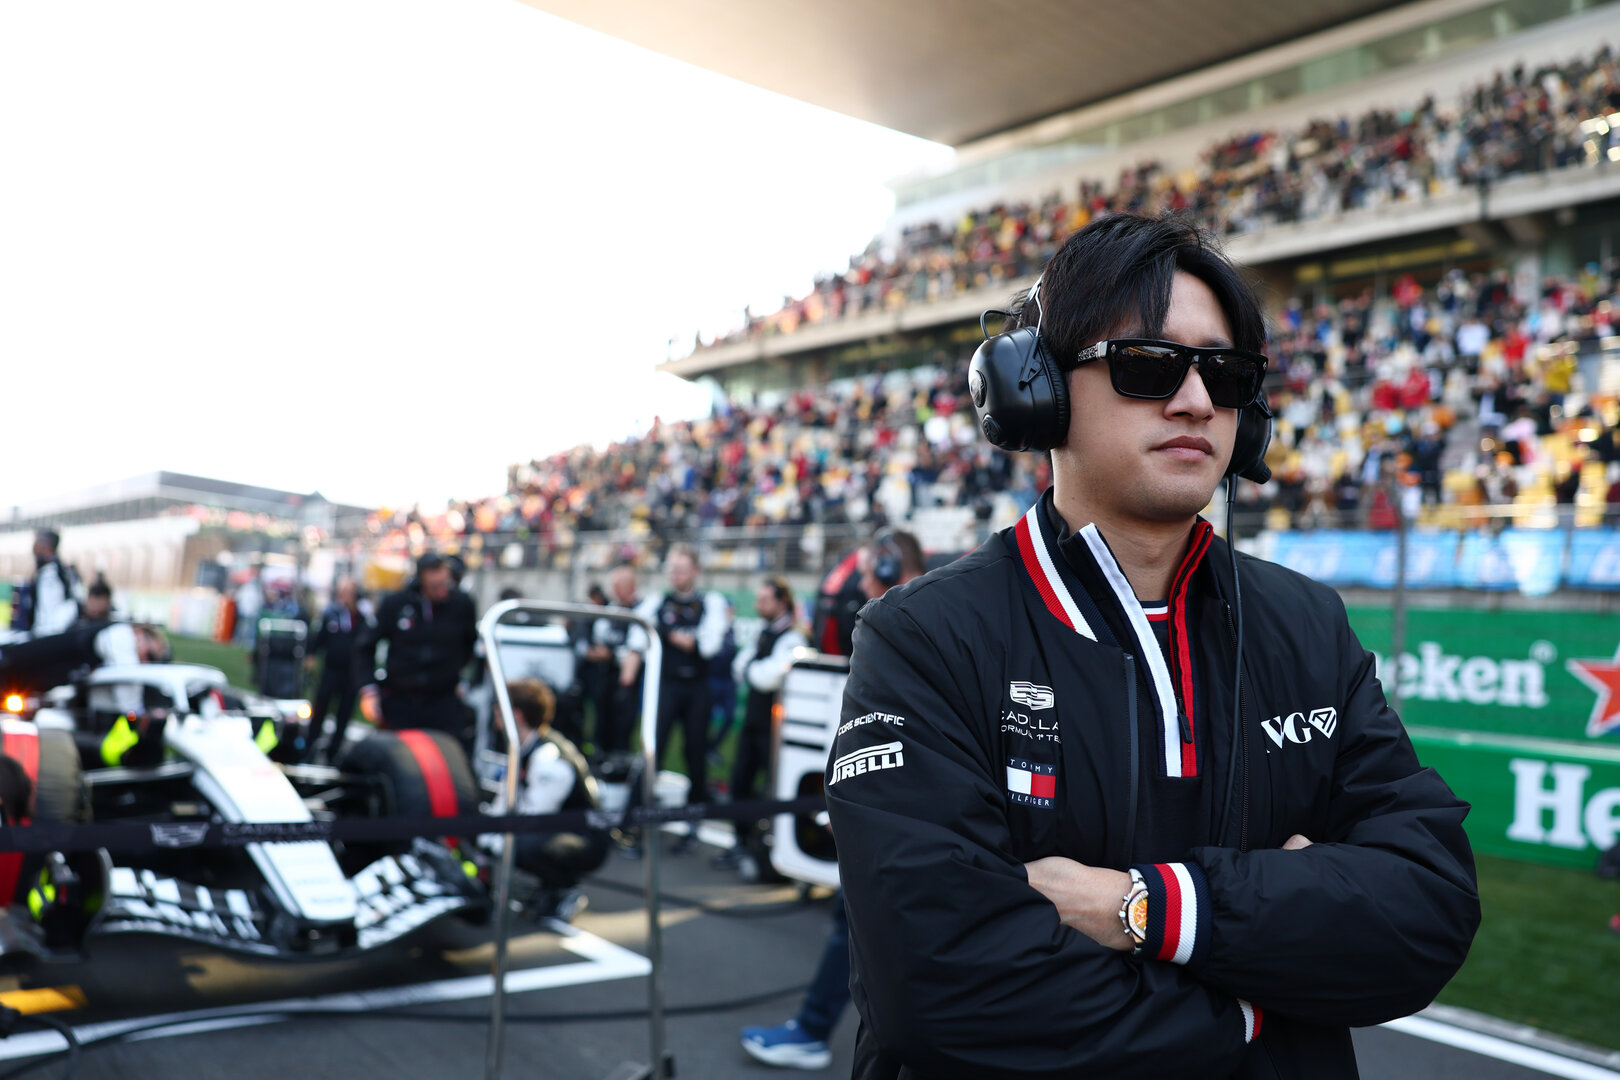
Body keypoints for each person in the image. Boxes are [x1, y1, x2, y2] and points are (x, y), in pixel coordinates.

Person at [825, 213, 1479, 1078]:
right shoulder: (922, 637)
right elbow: (945, 988)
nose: (1197, 400)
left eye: (1227, 372)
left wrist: (1149, 910)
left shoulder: (1308, 624)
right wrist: (1261, 1010)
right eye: (1148, 364)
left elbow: (1427, 905)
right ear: (1038, 388)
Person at [740, 535, 922, 1069]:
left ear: (891, 567)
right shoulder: (908, 621)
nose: (863, 586)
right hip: (905, 817)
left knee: (859, 920)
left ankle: (814, 1031)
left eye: (871, 573)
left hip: (908, 818)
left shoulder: (913, 625)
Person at [479, 677, 609, 921]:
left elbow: (536, 814)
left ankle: (565, 888)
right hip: (555, 826)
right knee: (494, 838)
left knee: (519, 845)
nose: (495, 719)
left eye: (499, 712)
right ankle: (547, 886)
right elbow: (508, 798)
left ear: (516, 715)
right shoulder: (523, 746)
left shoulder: (549, 758)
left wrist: (495, 843)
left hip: (586, 840)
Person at [634, 544, 730, 853]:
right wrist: (676, 636)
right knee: (652, 751)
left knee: (695, 753)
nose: (675, 575)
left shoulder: (710, 602)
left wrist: (669, 633)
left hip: (697, 689)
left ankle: (693, 823)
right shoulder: (656, 602)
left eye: (681, 569)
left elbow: (708, 646)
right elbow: (636, 637)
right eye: (672, 569)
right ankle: (635, 825)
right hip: (666, 686)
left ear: (695, 571)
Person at [714, 577, 807, 872]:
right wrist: (754, 669)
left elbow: (764, 677)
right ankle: (741, 841)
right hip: (754, 724)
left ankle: (775, 849)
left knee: (775, 789)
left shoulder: (793, 638)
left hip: (778, 731)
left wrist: (753, 670)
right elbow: (741, 667)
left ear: (781, 602)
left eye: (765, 600)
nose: (758, 606)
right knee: (740, 782)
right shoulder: (767, 634)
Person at [362, 553, 478, 741]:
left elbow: (469, 643)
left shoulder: (461, 604)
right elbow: (366, 645)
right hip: (402, 700)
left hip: (443, 700)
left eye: (444, 584)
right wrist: (369, 690)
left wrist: (459, 675)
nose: (441, 591)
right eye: (434, 587)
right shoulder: (396, 604)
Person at [306, 577, 375, 763]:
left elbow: (369, 643)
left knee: (344, 713)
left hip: (351, 673)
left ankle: (334, 751)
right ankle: (309, 745)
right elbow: (318, 636)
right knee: (320, 707)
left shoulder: (362, 617)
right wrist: (311, 654)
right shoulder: (331, 614)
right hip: (331, 670)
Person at [591, 565, 648, 756]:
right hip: (604, 675)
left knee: (623, 725)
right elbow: (600, 639)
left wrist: (613, 654)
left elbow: (634, 648)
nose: (614, 590)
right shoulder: (610, 610)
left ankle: (620, 762)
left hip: (628, 678)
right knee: (601, 721)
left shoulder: (642, 609)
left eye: (619, 585)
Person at [27, 530, 80, 638]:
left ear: (46, 547)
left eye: (36, 543)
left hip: (47, 637)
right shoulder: (61, 571)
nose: (33, 548)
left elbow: (48, 615)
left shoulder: (50, 574)